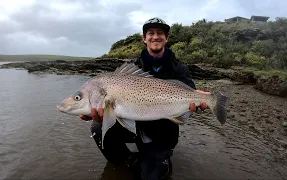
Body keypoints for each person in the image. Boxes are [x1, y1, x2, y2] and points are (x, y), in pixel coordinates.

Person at [79, 17, 206, 180]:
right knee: (98, 128)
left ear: (166, 38)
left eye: (160, 33)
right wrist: (91, 112)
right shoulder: (132, 68)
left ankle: (158, 160)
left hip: (163, 135)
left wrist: (199, 101)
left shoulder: (179, 69)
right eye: (150, 33)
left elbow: (191, 94)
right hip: (137, 129)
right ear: (144, 38)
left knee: (151, 177)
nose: (155, 36)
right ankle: (128, 162)